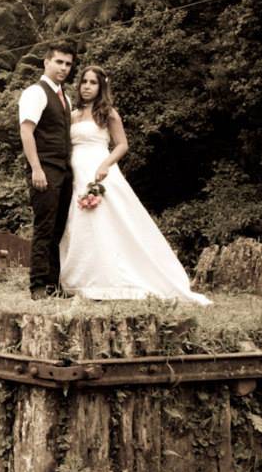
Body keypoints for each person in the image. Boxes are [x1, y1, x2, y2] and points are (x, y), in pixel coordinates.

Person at [58, 65, 211, 304]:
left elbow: (122, 145)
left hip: (99, 170)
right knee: (78, 223)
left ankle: (113, 277)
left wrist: (105, 164)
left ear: (101, 87)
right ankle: (79, 278)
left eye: (93, 83)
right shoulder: (73, 114)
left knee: (107, 222)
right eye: (84, 82)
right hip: (75, 172)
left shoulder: (107, 113)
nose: (87, 87)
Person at [19, 43, 76, 299]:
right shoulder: (36, 92)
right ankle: (38, 286)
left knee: (58, 229)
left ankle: (54, 285)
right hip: (45, 169)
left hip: (63, 170)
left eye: (68, 64)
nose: (63, 68)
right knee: (44, 227)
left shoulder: (66, 97)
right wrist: (36, 169)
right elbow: (26, 131)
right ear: (46, 63)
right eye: (59, 62)